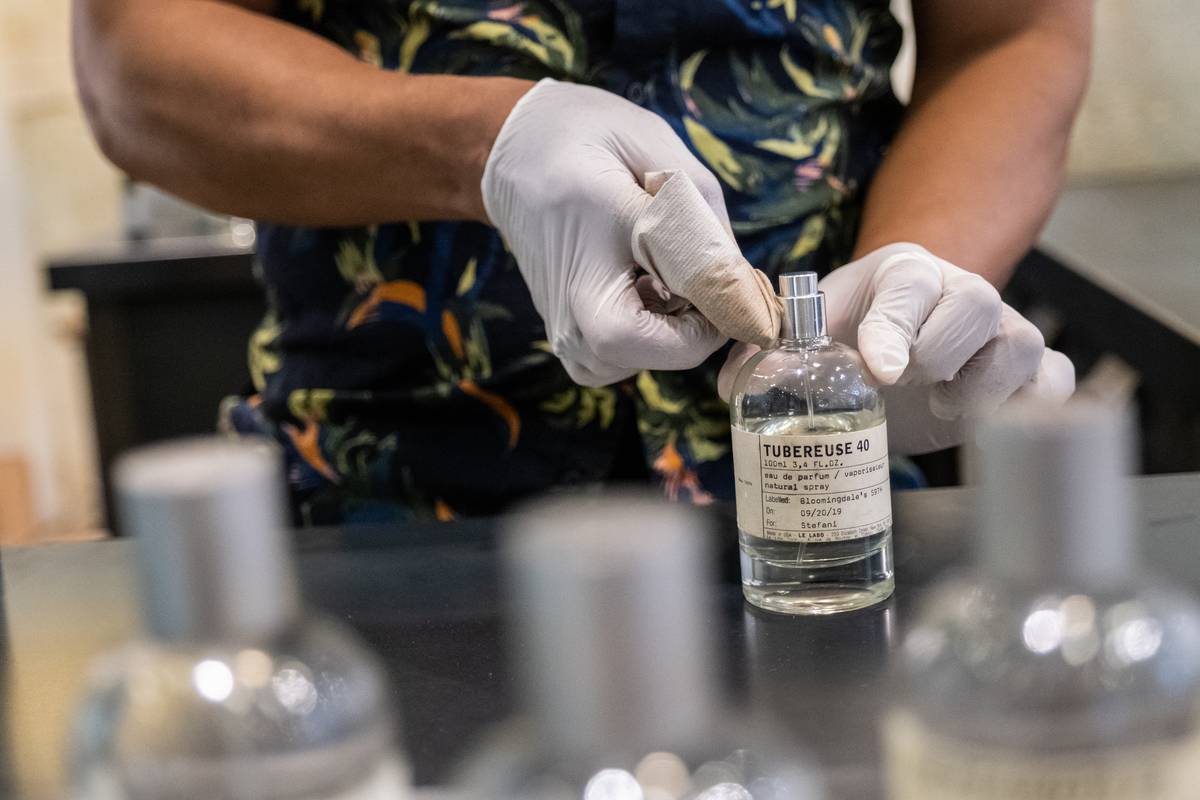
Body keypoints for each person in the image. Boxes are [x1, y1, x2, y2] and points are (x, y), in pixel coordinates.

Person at [73, 0, 1087, 523]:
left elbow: (1014, 33)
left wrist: (903, 306)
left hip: (823, 499)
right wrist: (487, 147)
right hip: (383, 496)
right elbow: (134, 53)